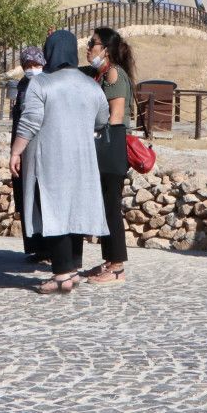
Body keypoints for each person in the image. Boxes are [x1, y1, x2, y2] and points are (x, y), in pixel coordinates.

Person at [10, 30, 110, 294]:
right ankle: (72, 269)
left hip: (49, 157)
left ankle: (63, 274)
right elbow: (102, 119)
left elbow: (30, 121)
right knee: (74, 209)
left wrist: (16, 152)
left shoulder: (41, 83)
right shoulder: (91, 85)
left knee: (53, 211)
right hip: (82, 158)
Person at [83, 27, 136, 285]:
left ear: (105, 49)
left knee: (111, 207)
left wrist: (100, 147)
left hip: (110, 145)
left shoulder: (114, 74)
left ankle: (117, 267)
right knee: (104, 207)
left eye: (92, 43)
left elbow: (115, 116)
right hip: (106, 144)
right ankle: (109, 260)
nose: (88, 47)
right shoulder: (101, 74)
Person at [10, 46, 47, 261]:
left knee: (42, 197)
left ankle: (49, 248)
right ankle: (36, 248)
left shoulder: (46, 84)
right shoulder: (22, 85)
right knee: (26, 198)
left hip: (40, 148)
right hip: (20, 146)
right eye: (27, 65)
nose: (32, 69)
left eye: (36, 64)